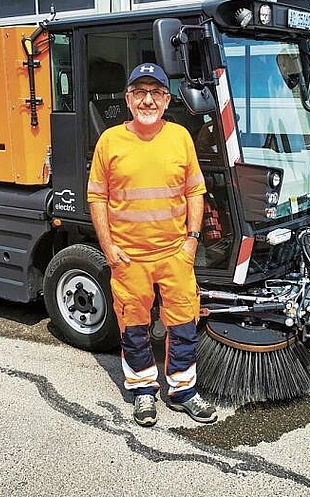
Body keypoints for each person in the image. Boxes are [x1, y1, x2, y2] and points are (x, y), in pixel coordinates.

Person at [87, 62, 218, 427]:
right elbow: (96, 197)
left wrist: (192, 240)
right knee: (134, 327)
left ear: (166, 99)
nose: (148, 100)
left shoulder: (180, 137)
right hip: (129, 259)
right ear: (129, 99)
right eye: (140, 93)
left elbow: (195, 190)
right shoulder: (110, 141)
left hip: (175, 253)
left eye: (156, 93)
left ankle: (183, 391)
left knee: (184, 324)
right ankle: (144, 391)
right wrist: (109, 248)